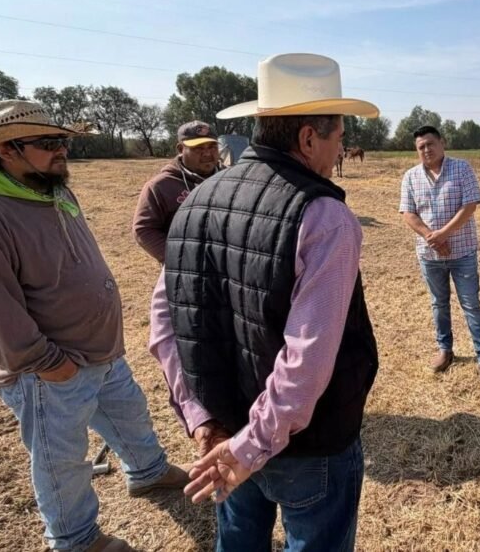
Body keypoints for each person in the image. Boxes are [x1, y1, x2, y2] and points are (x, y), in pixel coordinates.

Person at [156, 53, 381, 551]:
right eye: (338, 137)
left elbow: (166, 322)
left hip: (226, 431)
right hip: (307, 445)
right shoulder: (325, 217)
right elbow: (307, 361)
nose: (339, 150)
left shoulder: (197, 199)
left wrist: (204, 421)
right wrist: (251, 446)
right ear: (307, 137)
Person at [0, 100, 188, 552]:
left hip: (101, 353)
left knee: (130, 415)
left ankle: (148, 473)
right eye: (48, 143)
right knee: (62, 461)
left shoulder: (53, 191)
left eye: (62, 141)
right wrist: (48, 364)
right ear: (6, 150)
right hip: (50, 370)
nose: (62, 151)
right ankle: (75, 539)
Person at [399, 125, 480, 388]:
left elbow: (470, 205)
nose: (426, 150)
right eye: (421, 147)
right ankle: (445, 350)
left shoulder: (462, 169)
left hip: (462, 252)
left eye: (430, 144)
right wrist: (430, 237)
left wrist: (443, 234)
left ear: (442, 143)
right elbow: (408, 213)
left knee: (470, 304)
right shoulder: (411, 177)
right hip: (429, 254)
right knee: (439, 303)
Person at [133, 120, 221, 263]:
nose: (207, 154)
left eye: (212, 147)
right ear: (180, 149)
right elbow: (144, 230)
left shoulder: (231, 178)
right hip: (187, 269)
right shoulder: (160, 186)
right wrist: (179, 259)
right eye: (198, 148)